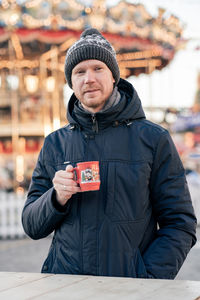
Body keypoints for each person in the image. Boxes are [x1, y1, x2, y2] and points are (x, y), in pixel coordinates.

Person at [22, 28, 196, 279]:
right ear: (71, 82)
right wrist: (56, 197)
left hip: (129, 288)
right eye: (79, 72)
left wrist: (148, 279)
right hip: (66, 287)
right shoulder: (55, 144)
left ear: (114, 76)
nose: (88, 78)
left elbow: (179, 223)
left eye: (98, 68)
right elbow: (31, 225)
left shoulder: (153, 139)